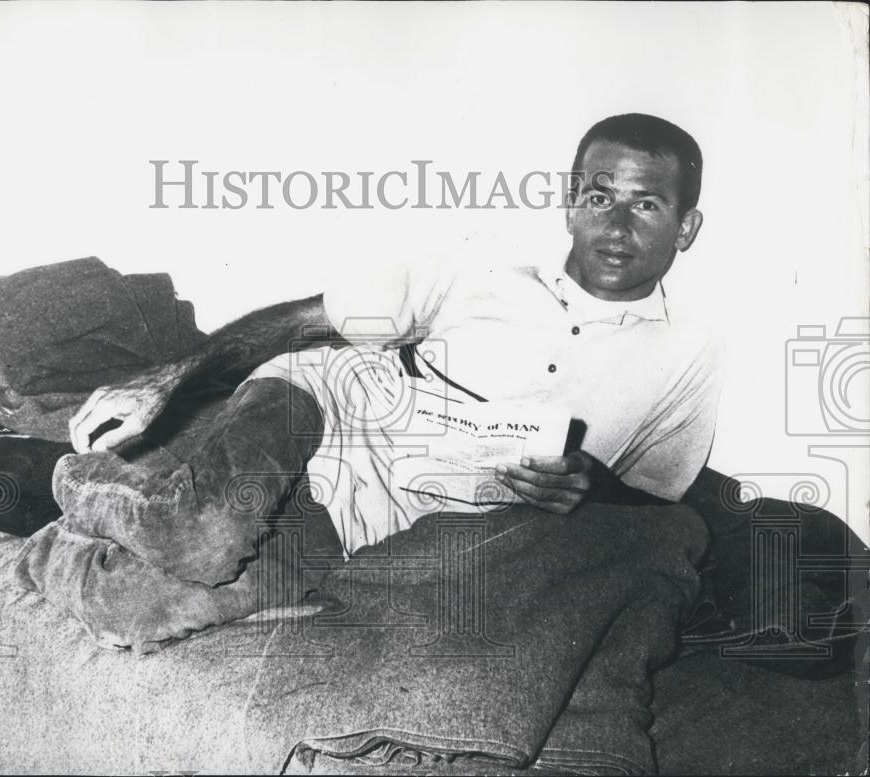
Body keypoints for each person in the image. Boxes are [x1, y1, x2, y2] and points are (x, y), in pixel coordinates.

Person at [62, 113, 721, 584]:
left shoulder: (685, 358)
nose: (614, 224)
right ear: (570, 205)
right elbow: (309, 320)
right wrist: (168, 378)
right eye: (599, 196)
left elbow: (660, 511)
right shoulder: (482, 265)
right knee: (201, 541)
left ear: (684, 227)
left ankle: (81, 487)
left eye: (646, 206)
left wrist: (593, 484)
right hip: (333, 410)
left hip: (430, 521)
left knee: (162, 600)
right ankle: (66, 478)